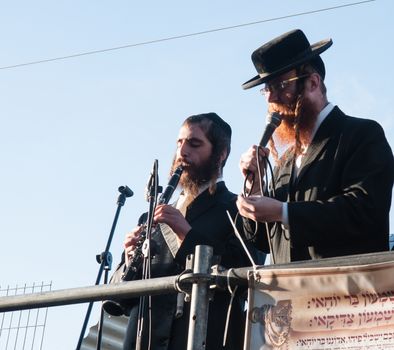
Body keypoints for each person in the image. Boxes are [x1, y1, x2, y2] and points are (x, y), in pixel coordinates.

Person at [236, 29, 394, 264]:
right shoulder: (286, 160)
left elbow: (364, 211)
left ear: (312, 82)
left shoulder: (361, 134)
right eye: (267, 89)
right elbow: (263, 242)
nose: (270, 99)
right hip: (289, 297)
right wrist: (255, 188)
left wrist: (283, 211)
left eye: (280, 85)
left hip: (346, 294)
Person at [110, 113, 254, 350]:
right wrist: (128, 260)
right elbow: (121, 299)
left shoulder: (237, 208)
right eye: (179, 143)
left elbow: (246, 273)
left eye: (194, 144)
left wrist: (186, 234)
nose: (182, 153)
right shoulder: (150, 215)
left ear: (221, 154)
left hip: (209, 339)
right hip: (145, 340)